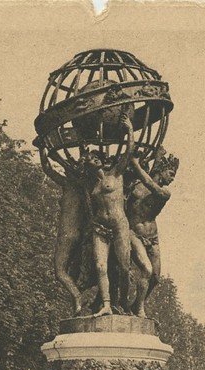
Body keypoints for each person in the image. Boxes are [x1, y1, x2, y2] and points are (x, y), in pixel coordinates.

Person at [79, 113, 136, 316]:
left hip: (119, 225)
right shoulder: (91, 184)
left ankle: (124, 303)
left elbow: (129, 151)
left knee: (123, 267)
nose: (90, 160)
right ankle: (105, 304)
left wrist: (129, 129)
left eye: (94, 158)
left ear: (101, 160)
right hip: (99, 227)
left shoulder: (116, 173)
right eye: (88, 159)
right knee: (100, 266)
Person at [126, 149, 177, 317]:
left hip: (152, 238)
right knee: (146, 271)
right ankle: (139, 308)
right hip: (133, 233)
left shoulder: (164, 193)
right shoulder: (134, 185)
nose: (172, 178)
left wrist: (134, 163)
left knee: (155, 276)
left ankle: (134, 305)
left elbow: (149, 182)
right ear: (161, 170)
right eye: (170, 173)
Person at [40, 152, 87, 314]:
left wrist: (42, 150)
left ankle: (77, 297)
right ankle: (78, 304)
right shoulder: (85, 185)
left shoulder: (68, 184)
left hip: (67, 234)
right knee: (74, 272)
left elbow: (47, 168)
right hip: (82, 234)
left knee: (60, 271)